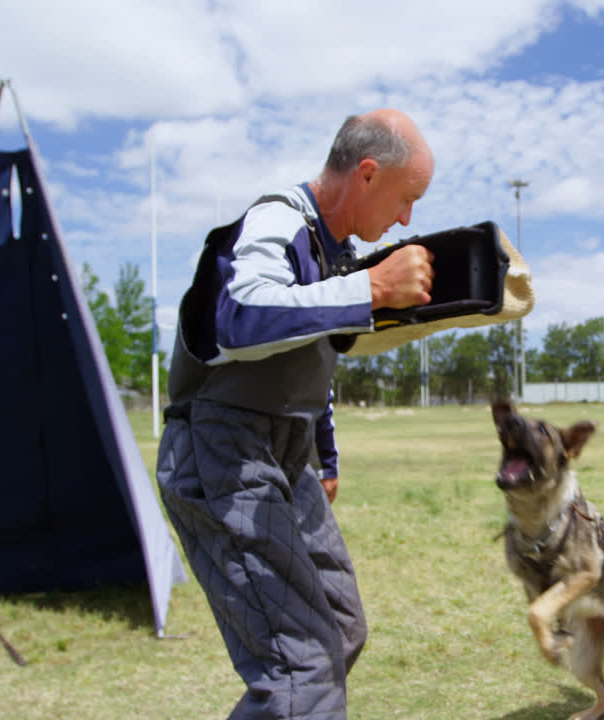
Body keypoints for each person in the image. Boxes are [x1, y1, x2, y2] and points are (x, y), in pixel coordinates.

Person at [156, 109, 435, 719]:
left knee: (336, 628)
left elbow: (311, 357)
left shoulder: (331, 255)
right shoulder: (279, 219)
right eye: (407, 198)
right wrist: (371, 290)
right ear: (368, 174)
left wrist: (324, 457)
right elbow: (241, 316)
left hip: (285, 451)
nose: (406, 219)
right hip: (221, 445)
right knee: (300, 663)